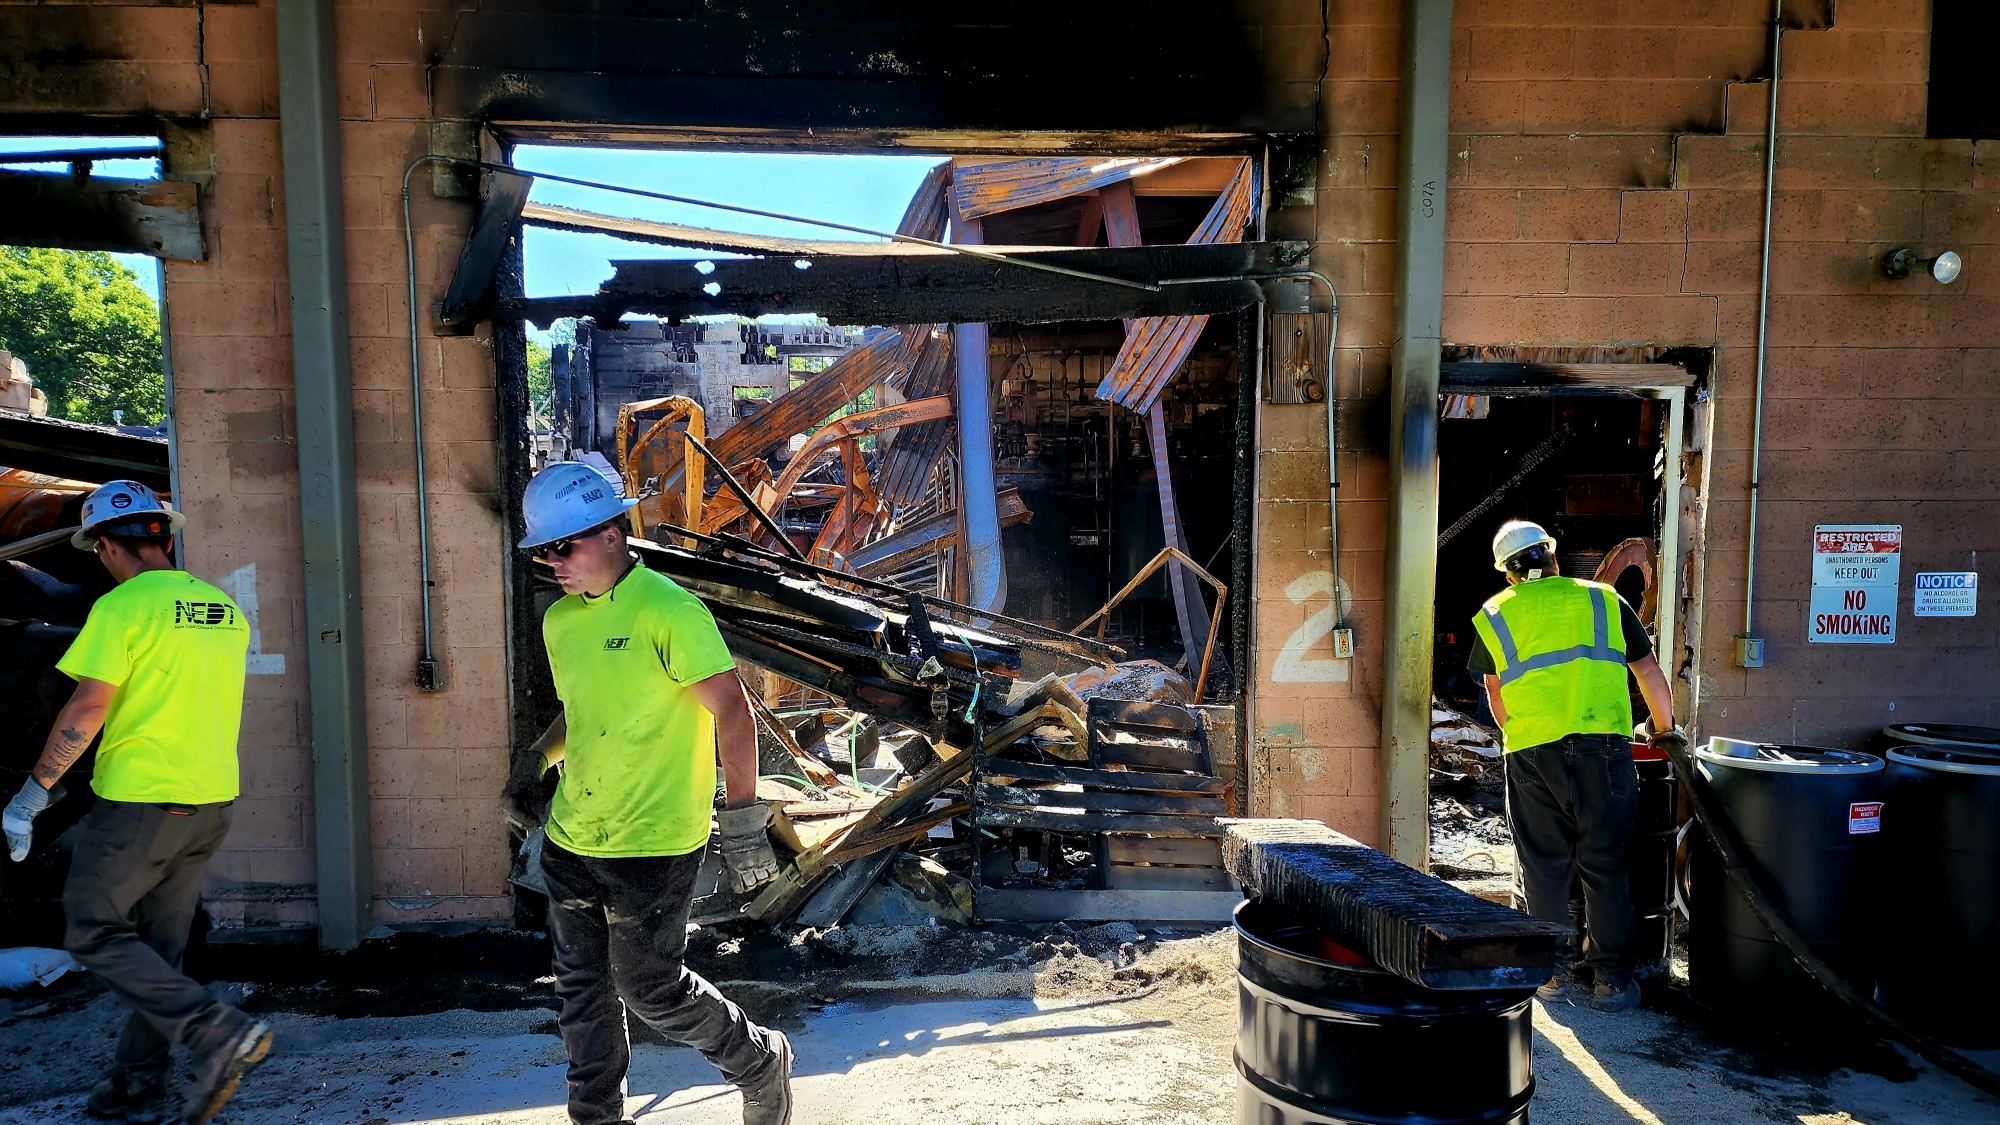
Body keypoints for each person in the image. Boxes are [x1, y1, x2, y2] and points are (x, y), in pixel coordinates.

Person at [503, 461, 794, 1125]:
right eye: (543, 551)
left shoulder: (669, 611)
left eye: (562, 546)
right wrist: (536, 758)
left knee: (650, 986)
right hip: (577, 833)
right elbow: (584, 712)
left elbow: (733, 711)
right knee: (582, 991)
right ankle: (597, 1118)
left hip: (654, 843)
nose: (553, 563)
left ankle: (760, 1062)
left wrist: (744, 818)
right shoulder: (562, 624)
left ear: (611, 534)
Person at [2, 481, 270, 1124]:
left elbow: (88, 708)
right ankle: (135, 1091)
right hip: (208, 804)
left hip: (140, 807)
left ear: (103, 547)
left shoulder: (121, 609)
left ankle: (214, 1033)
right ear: (165, 538)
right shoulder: (221, 609)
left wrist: (32, 794)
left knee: (92, 932)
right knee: (158, 954)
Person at [1468, 520, 1676, 1013]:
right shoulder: (1604, 600)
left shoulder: (1495, 614)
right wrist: (1664, 730)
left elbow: (1496, 694)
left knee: (1544, 867)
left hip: (1531, 753)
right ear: (1553, 557)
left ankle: (1550, 976)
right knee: (1605, 866)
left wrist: (1517, 736)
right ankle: (1611, 983)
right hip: (1603, 749)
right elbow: (1647, 669)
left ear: (1508, 574)